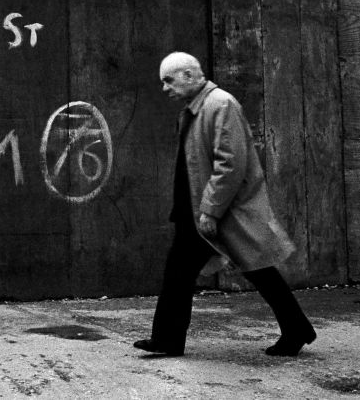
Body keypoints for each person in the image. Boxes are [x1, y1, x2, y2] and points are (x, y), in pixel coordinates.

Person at [133, 52, 316, 358]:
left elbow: (230, 164)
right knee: (185, 273)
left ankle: (168, 338)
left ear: (189, 76)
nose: (165, 88)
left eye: (169, 80)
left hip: (219, 212)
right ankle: (167, 339)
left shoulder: (220, 104)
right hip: (197, 211)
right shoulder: (198, 108)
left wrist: (210, 209)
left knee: (257, 270)